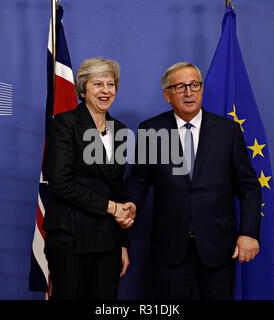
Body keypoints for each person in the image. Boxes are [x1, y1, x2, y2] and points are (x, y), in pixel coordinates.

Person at [125, 62, 261, 300]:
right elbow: (138, 180)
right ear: (167, 95)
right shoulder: (151, 129)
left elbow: (249, 186)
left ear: (201, 89)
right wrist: (131, 205)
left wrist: (248, 232)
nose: (189, 92)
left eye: (194, 85)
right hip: (169, 250)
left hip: (218, 249)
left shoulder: (227, 131)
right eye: (180, 87)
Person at [43, 57, 134, 300]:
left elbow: (117, 188)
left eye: (111, 84)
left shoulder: (120, 131)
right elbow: (61, 183)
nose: (106, 90)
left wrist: (122, 243)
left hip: (107, 240)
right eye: (98, 84)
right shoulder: (65, 124)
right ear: (83, 90)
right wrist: (111, 207)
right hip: (70, 237)